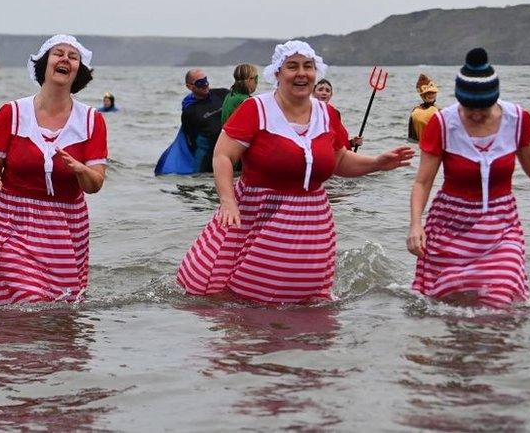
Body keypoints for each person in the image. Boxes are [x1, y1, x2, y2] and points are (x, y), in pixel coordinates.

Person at [176, 40, 414, 304]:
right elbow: (222, 155)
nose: (302, 73)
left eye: (308, 66)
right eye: (292, 66)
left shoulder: (327, 114)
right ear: (277, 73)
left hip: (313, 219)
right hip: (258, 216)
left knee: (310, 307)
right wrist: (228, 201)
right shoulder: (256, 109)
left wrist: (377, 163)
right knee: (244, 303)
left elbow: (339, 160)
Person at [407, 48, 530, 308]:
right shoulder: (443, 123)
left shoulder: (516, 119)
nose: (477, 115)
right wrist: (415, 224)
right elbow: (423, 181)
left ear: (495, 99)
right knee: (447, 306)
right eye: (469, 108)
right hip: (450, 226)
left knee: (500, 297)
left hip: (501, 223)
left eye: (484, 108)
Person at [0, 34, 108, 304]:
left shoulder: (92, 121)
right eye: (58, 53)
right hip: (10, 218)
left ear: (78, 71)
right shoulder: (12, 113)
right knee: (31, 299)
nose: (65, 59)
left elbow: (95, 185)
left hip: (66, 224)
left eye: (73, 57)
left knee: (61, 307)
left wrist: (81, 169)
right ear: (44, 63)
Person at [182, 69, 230, 173]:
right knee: (199, 182)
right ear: (189, 86)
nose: (205, 85)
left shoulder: (222, 94)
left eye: (206, 80)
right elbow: (190, 139)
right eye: (200, 83)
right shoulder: (189, 111)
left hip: (229, 151)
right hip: (207, 156)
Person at [313, 79, 363, 149]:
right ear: (313, 93)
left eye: (327, 91)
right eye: (320, 90)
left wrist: (352, 143)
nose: (324, 93)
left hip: (340, 156)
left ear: (331, 95)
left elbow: (339, 140)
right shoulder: (309, 113)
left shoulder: (335, 113)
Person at [408, 73, 439, 142]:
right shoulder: (415, 112)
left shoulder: (439, 110)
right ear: (422, 96)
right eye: (428, 93)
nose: (431, 95)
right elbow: (411, 135)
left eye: (433, 93)